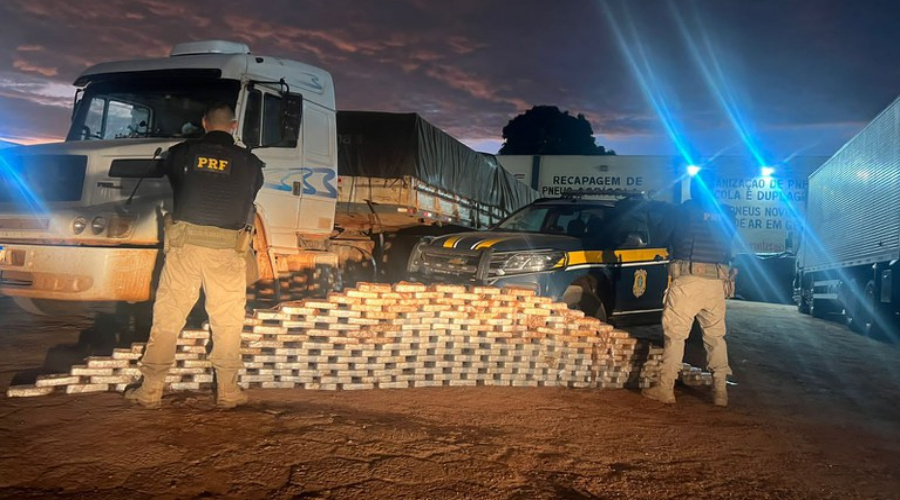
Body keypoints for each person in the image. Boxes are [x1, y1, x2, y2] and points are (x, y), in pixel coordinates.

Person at [125, 102, 265, 409]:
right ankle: (228, 391)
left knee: (168, 317)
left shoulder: (181, 153)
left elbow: (176, 181)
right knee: (228, 322)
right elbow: (250, 193)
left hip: (185, 248)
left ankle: (150, 390)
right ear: (233, 125)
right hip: (228, 251)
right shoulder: (251, 162)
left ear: (204, 123)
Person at [642, 168, 736, 407]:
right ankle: (720, 393)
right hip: (716, 284)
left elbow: (661, 238)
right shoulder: (727, 213)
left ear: (693, 189)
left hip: (688, 281)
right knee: (716, 338)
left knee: (675, 335)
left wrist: (656, 213)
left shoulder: (682, 212)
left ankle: (665, 389)